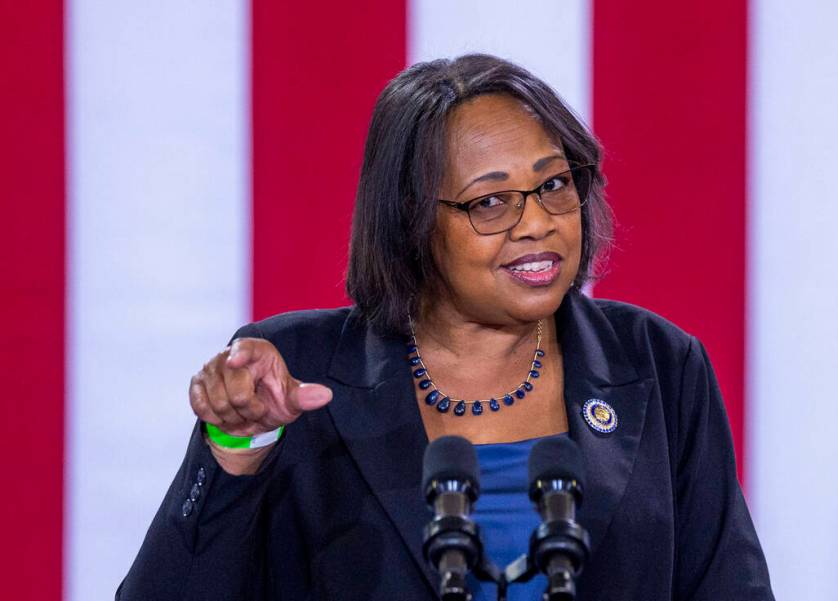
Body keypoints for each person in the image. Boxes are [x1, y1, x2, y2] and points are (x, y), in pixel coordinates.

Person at [117, 54, 774, 600]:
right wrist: (234, 443)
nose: (538, 221)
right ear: (410, 220)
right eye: (490, 201)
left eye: (554, 185)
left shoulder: (658, 364)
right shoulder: (295, 373)